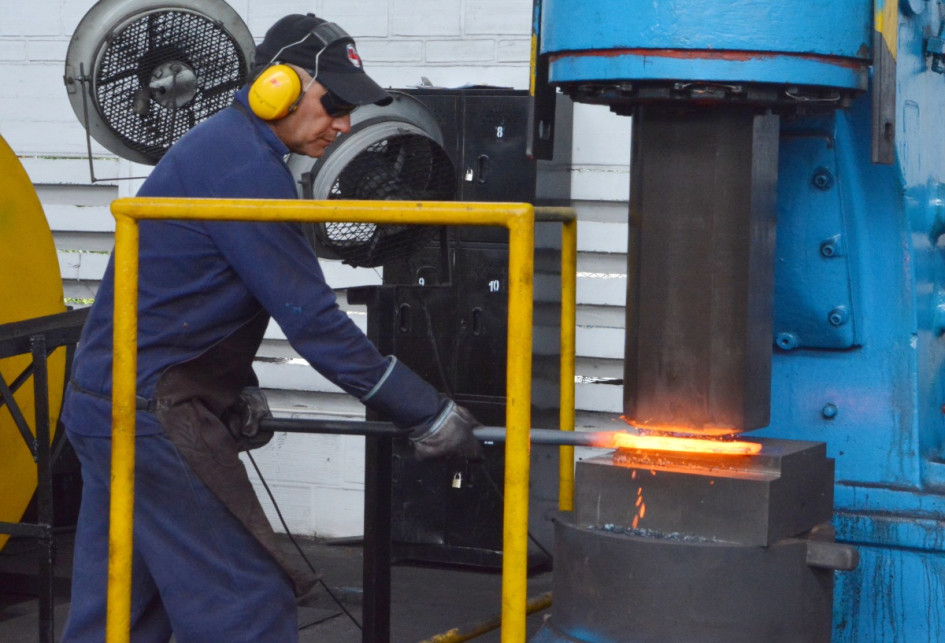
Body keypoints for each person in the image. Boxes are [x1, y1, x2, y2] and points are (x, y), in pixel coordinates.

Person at [61, 13, 482, 642]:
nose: (343, 125)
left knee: (120, 615)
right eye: (334, 104)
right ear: (275, 87)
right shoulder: (245, 171)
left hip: (105, 404)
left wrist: (236, 384)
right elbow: (314, 324)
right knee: (247, 605)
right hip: (153, 418)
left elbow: (186, 294)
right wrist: (425, 412)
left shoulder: (221, 149)